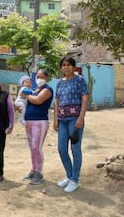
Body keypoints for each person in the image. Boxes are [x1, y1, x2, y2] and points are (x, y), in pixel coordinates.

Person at [54, 56, 89, 193]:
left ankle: (75, 180)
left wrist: (81, 117)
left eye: (69, 65)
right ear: (61, 67)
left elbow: (85, 98)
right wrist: (56, 119)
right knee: (62, 148)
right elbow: (57, 101)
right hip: (62, 120)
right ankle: (69, 176)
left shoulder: (79, 80)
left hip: (75, 119)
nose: (66, 67)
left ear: (74, 67)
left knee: (75, 150)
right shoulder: (59, 83)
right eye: (63, 65)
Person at [20, 69, 53, 185]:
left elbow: (38, 101)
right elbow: (27, 102)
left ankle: (39, 172)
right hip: (29, 122)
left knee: (36, 147)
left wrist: (26, 94)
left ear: (46, 78)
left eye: (42, 77)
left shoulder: (47, 90)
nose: (39, 79)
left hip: (40, 122)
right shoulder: (34, 90)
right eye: (37, 77)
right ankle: (33, 170)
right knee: (32, 148)